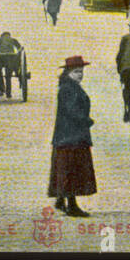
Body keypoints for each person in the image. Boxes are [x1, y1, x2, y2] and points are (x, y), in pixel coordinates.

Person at [47, 56, 96, 218]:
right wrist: (86, 120)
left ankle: (61, 200)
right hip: (70, 137)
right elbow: (72, 111)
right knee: (72, 170)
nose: (80, 75)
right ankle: (72, 206)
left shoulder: (69, 85)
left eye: (81, 72)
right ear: (68, 72)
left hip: (68, 136)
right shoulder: (68, 89)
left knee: (65, 169)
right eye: (76, 72)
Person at [0, 31, 23, 97]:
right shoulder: (13, 40)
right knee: (8, 76)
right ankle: (8, 93)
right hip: (11, 58)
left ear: (2, 35)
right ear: (9, 35)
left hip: (1, 58)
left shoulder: (0, 40)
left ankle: (2, 89)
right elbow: (20, 49)